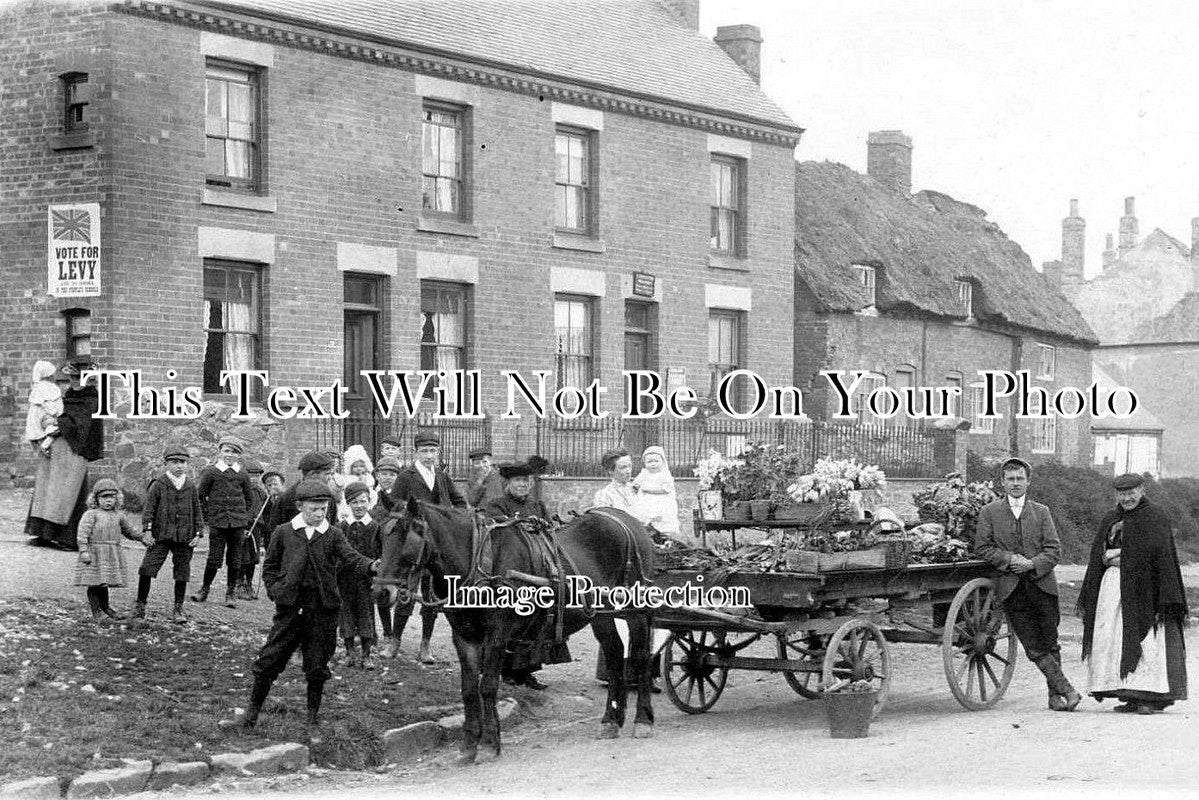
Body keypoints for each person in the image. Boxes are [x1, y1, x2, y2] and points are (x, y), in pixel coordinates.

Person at [222, 478, 379, 744]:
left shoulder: (333, 534)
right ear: (299, 506)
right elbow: (269, 567)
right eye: (314, 509)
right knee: (268, 661)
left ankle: (312, 720)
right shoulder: (284, 532)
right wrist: (276, 591)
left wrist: (372, 565)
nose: (319, 514)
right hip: (290, 609)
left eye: (323, 508)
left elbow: (351, 557)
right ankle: (250, 716)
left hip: (323, 611)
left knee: (317, 667)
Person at [975, 457, 1081, 711]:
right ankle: (1067, 690)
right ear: (1002, 482)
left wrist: (1032, 564)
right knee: (1032, 645)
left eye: (1019, 478)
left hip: (1042, 585)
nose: (1015, 483)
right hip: (1011, 587)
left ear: (1028, 482)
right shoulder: (989, 512)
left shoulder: (1041, 512)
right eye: (1010, 479)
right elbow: (983, 547)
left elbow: (1054, 549)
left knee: (1050, 639)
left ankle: (1054, 697)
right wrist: (1009, 559)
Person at [1078, 473, 1189, 714]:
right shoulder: (1111, 517)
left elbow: (1157, 555)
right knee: (1113, 637)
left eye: (1131, 492)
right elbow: (1100, 552)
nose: (1127, 498)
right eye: (1122, 493)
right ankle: (1128, 693)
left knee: (1147, 639)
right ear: (1116, 494)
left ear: (1142, 490)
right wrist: (1107, 557)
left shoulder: (1154, 516)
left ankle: (1150, 696)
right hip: (1113, 588)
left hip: (1146, 590)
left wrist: (1118, 557)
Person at [389, 432, 467, 663]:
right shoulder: (406, 477)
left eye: (433, 451)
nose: (429, 455)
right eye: (424, 451)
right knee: (407, 592)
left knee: (432, 594)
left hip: (438, 545)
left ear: (438, 452)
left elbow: (459, 501)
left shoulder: (442, 476)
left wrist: (454, 518)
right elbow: (395, 504)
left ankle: (425, 645)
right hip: (415, 541)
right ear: (416, 453)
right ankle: (395, 641)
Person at [484, 461, 554, 690]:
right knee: (509, 619)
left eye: (526, 481)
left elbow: (549, 531)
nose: (522, 485)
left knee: (535, 619)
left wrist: (541, 524)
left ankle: (526, 671)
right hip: (507, 571)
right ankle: (506, 671)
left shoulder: (538, 505)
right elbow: (496, 530)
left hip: (536, 570)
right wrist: (519, 522)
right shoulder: (497, 504)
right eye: (517, 481)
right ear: (508, 484)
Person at [25, 360, 104, 549]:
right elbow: (57, 413)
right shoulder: (68, 394)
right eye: (72, 377)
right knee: (47, 489)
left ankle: (68, 539)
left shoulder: (91, 398)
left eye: (78, 377)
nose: (74, 381)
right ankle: (43, 534)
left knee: (69, 492)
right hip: (57, 448)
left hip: (75, 449)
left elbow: (81, 425)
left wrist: (58, 425)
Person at [133, 442, 204, 623]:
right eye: (175, 462)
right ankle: (140, 606)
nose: (179, 466)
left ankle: (178, 609)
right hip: (160, 536)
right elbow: (148, 510)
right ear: (166, 464)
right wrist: (147, 531)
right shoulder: (159, 484)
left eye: (183, 462)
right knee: (147, 568)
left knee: (182, 572)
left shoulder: (190, 486)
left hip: (184, 537)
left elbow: (197, 511)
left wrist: (198, 533)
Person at [75, 479, 151, 623]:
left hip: (111, 552)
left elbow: (129, 531)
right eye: (104, 497)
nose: (108, 500)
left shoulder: (119, 515)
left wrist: (142, 538)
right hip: (95, 552)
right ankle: (97, 612)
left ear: (117, 498)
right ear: (96, 499)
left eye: (112, 497)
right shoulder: (91, 514)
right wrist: (84, 550)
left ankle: (106, 608)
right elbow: (82, 534)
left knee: (104, 582)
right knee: (94, 583)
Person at [194, 436, 256, 608]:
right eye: (226, 451)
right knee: (214, 558)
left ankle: (230, 593)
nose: (230, 455)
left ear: (239, 455)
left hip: (238, 525)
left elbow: (250, 500)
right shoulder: (211, 472)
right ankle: (204, 589)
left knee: (235, 560)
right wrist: (209, 516)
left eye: (234, 452)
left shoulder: (242, 474)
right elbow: (200, 497)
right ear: (220, 452)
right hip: (218, 523)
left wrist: (245, 519)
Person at [338, 481, 383, 670]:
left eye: (363, 502)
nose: (359, 506)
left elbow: (380, 555)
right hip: (344, 579)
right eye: (355, 502)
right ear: (348, 504)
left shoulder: (375, 527)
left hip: (366, 580)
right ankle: (349, 653)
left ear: (369, 503)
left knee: (366, 615)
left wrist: (376, 575)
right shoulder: (341, 527)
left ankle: (366, 655)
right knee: (346, 614)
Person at [235, 458, 269, 600]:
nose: (254, 479)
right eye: (251, 475)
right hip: (243, 528)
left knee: (253, 558)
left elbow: (265, 512)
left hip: (256, 529)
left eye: (257, 475)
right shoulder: (239, 491)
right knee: (242, 557)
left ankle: (249, 583)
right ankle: (239, 583)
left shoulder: (262, 493)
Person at [631, 446, 680, 538]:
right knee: (643, 518)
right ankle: (646, 534)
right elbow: (636, 483)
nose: (653, 464)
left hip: (660, 501)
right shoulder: (644, 473)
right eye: (649, 462)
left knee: (661, 520)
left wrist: (648, 489)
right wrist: (635, 486)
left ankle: (664, 535)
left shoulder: (664, 475)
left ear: (663, 462)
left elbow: (666, 489)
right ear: (645, 463)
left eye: (656, 461)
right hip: (645, 501)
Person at [25, 360, 62, 455]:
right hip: (45, 419)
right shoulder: (49, 388)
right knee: (61, 426)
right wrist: (55, 413)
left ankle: (43, 445)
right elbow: (48, 405)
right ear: (49, 376)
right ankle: (45, 445)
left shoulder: (36, 388)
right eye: (53, 374)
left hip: (36, 420)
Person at [336, 444, 377, 522]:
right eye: (355, 467)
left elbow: (370, 492)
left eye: (361, 466)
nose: (359, 469)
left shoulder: (369, 478)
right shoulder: (347, 479)